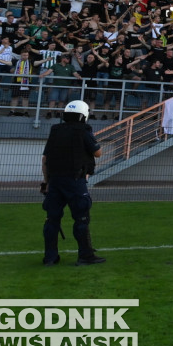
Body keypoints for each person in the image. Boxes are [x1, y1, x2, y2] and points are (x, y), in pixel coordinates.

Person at [40, 100, 105, 266]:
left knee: (52, 220)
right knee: (81, 219)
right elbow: (97, 152)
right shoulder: (83, 130)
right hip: (75, 181)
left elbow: (45, 159)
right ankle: (85, 255)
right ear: (84, 115)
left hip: (55, 181)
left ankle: (50, 257)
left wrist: (46, 182)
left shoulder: (56, 130)